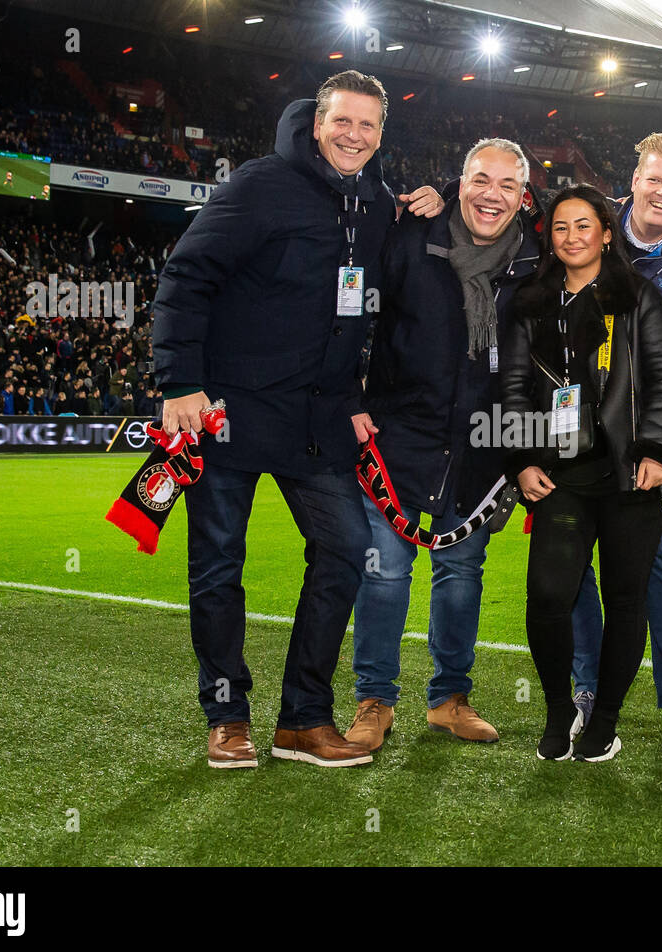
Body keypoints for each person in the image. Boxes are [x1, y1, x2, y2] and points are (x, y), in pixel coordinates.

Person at [152, 71, 443, 771]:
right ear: (317, 123)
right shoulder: (260, 184)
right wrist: (180, 382)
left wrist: (450, 195)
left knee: (344, 550)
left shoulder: (375, 203)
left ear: (381, 136)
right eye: (343, 121)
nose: (354, 135)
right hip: (226, 411)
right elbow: (186, 276)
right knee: (218, 565)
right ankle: (227, 717)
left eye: (369, 126)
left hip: (317, 420)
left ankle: (303, 719)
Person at [345, 138, 540, 752]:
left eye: (508, 186)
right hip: (399, 437)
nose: (493, 195)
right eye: (481, 180)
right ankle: (374, 701)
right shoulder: (411, 235)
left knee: (461, 573)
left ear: (523, 197)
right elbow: (354, 313)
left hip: (482, 448)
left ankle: (449, 700)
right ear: (459, 182)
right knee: (385, 576)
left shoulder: (536, 260)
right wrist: (348, 398)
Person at [499, 183, 662, 762]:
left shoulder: (639, 296)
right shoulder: (529, 302)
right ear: (549, 238)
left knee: (626, 599)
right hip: (561, 475)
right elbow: (511, 389)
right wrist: (523, 459)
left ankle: (604, 720)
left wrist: (657, 450)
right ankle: (560, 711)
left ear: (607, 232)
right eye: (560, 227)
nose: (572, 236)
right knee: (548, 596)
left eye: (584, 225)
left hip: (633, 476)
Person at [570, 132, 662, 751]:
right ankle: (586, 690)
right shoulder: (581, 229)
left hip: (648, 440)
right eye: (654, 179)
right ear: (633, 177)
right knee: (573, 563)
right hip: (570, 434)